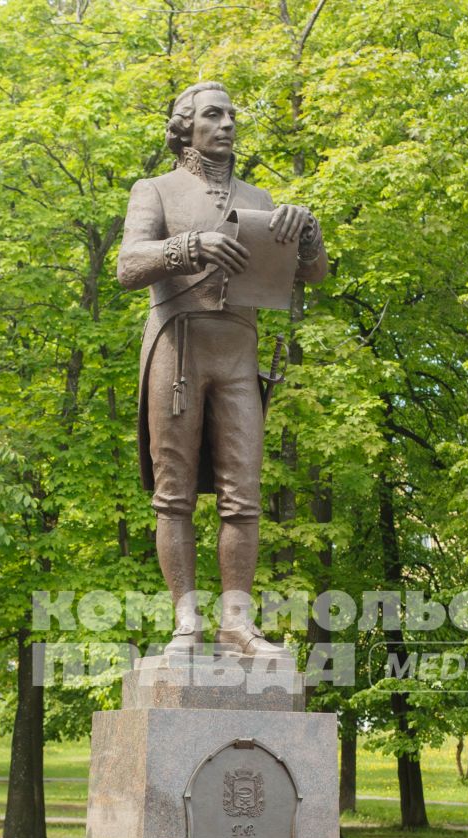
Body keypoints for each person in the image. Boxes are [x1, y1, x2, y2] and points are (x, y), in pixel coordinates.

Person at [118, 81, 328, 658]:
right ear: (185, 127)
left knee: (244, 494)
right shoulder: (155, 189)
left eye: (233, 115)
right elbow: (128, 264)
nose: (229, 124)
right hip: (177, 347)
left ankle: (237, 622)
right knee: (174, 492)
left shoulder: (260, 196)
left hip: (239, 354)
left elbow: (314, 277)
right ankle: (187, 620)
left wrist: (309, 236)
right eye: (214, 115)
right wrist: (191, 247)